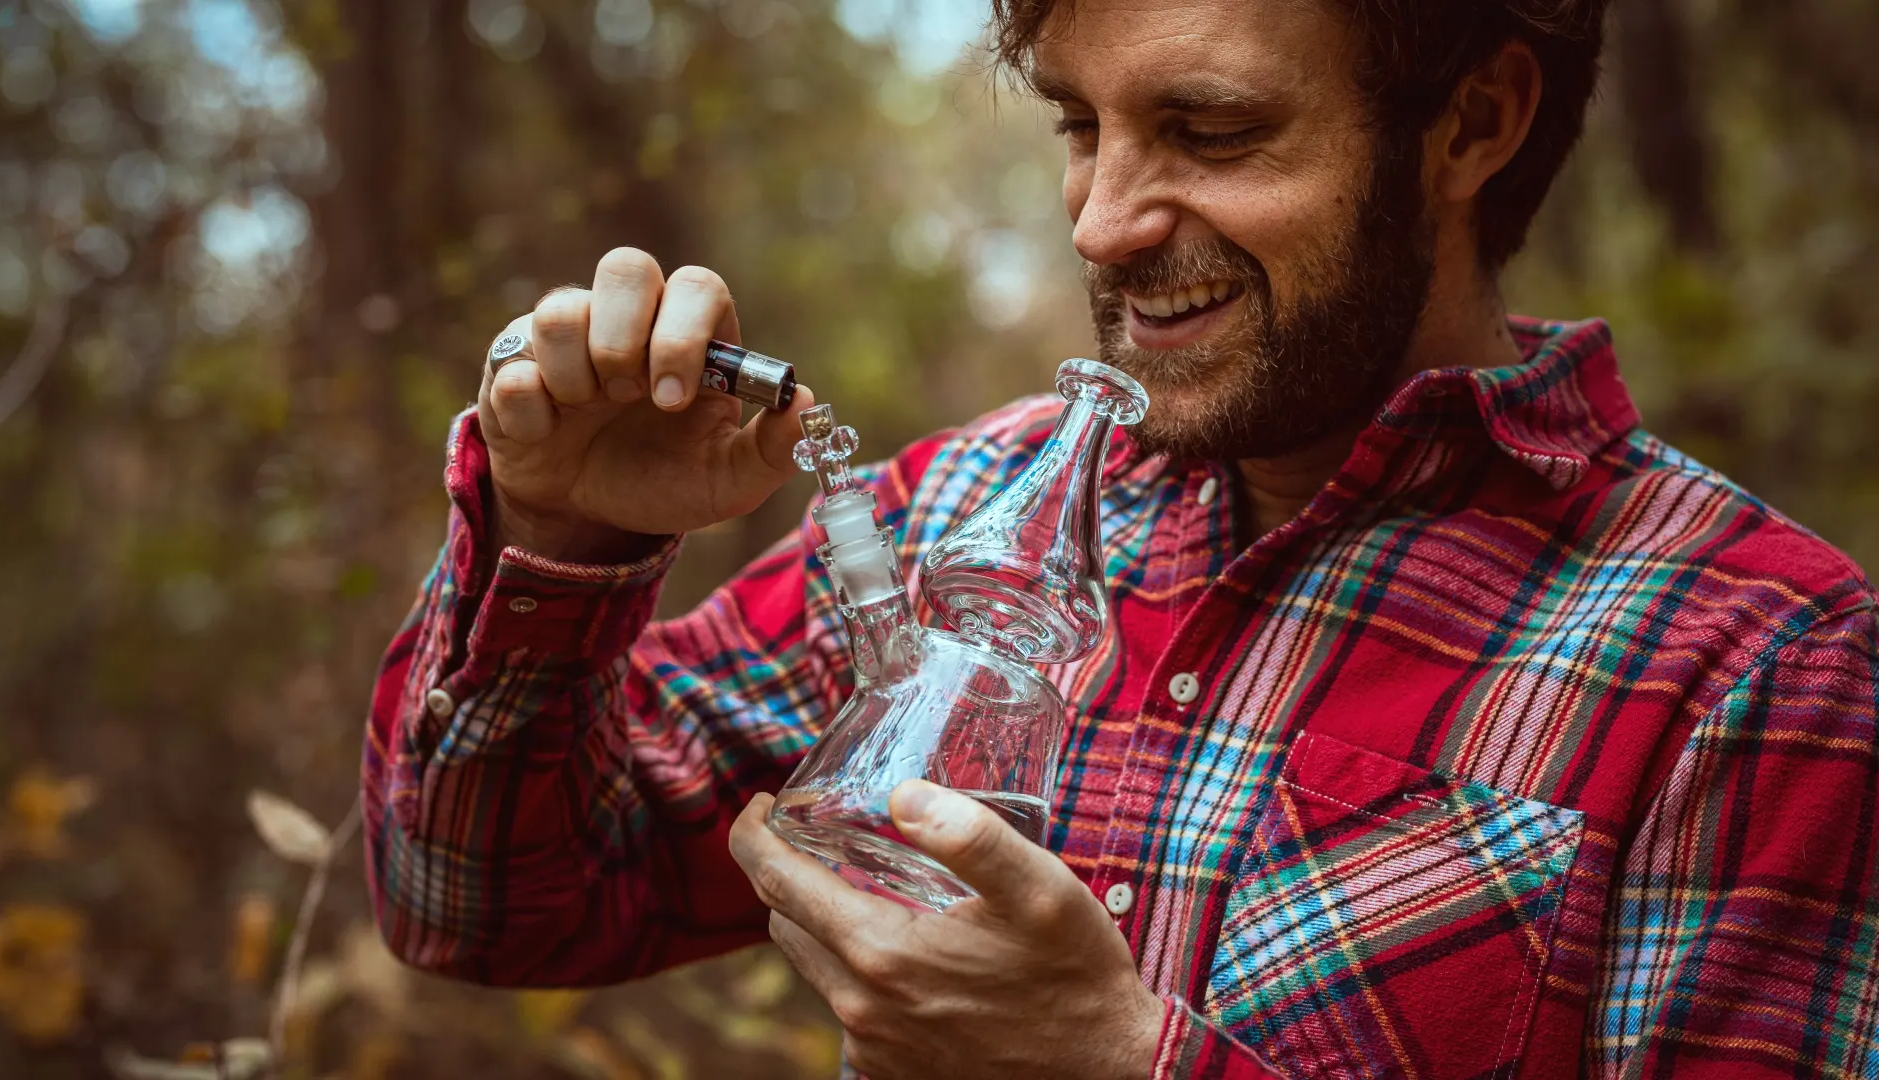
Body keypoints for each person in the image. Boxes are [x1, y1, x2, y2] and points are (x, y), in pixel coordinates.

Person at [362, 0, 1879, 1076]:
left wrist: (1121, 1067)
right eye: (1083, 126)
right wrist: (559, 534)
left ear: (1472, 122)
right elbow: (485, 908)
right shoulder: (971, 515)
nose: (1099, 221)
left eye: (1210, 128)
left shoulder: (1757, 660)